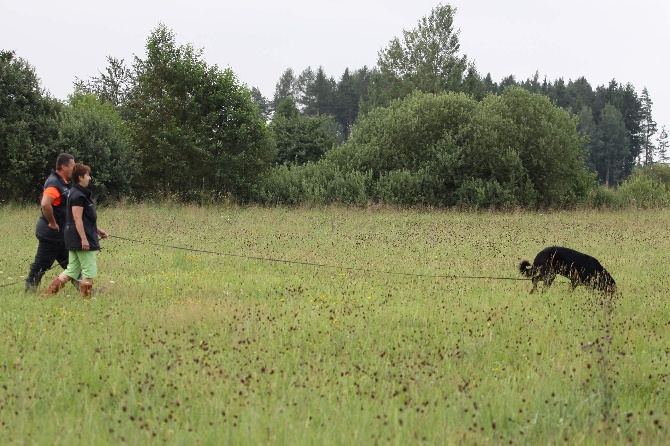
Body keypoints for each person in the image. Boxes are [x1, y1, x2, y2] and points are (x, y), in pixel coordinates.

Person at [40, 163, 108, 298]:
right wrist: (84, 239)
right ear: (81, 177)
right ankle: (87, 299)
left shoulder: (77, 193)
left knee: (71, 270)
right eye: (88, 175)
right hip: (80, 238)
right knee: (89, 271)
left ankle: (46, 296)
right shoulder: (78, 195)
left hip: (75, 236)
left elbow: (85, 218)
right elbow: (77, 219)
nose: (89, 178)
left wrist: (98, 230)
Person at [25, 153, 76, 292]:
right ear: (63, 166)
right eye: (72, 166)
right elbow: (45, 204)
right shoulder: (54, 183)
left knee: (71, 264)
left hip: (60, 234)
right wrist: (53, 223)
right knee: (41, 264)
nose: (74, 169)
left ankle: (86, 290)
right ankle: (29, 292)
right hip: (51, 233)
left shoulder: (63, 183)